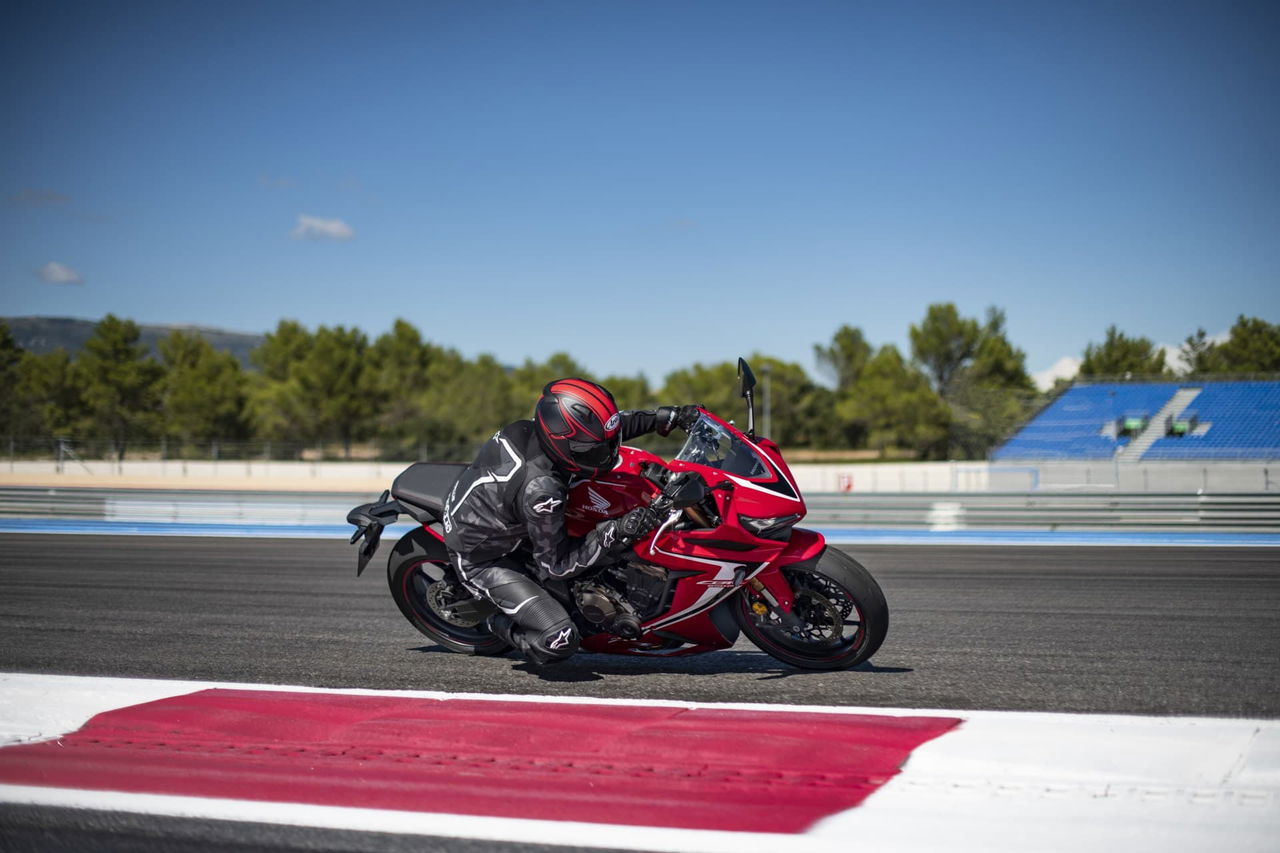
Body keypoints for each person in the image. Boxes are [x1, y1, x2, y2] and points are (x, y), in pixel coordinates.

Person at [442, 378, 699, 665]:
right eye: (592, 451)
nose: (606, 456)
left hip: (507, 516)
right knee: (560, 640)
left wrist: (668, 417)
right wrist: (616, 531)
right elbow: (556, 565)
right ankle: (493, 621)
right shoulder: (543, 489)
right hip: (484, 557)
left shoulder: (545, 432)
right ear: (562, 444)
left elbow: (609, 428)